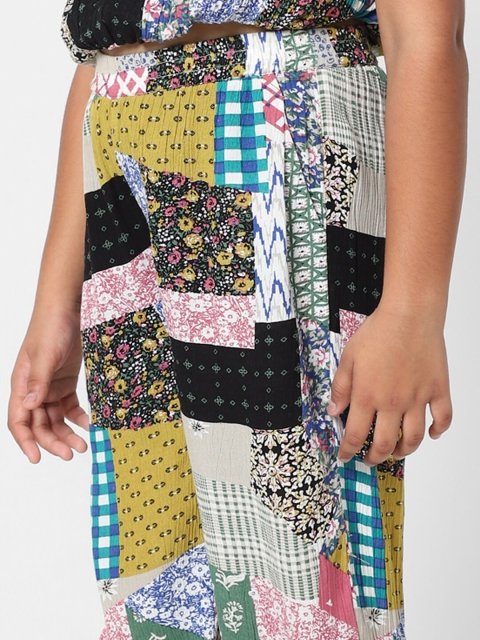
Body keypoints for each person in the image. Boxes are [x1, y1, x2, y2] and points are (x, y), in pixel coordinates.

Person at [7, 1, 468, 638]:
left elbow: (425, 33)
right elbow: (97, 55)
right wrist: (55, 306)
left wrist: (414, 310)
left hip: (279, 125)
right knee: (154, 582)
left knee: (304, 589)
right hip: (118, 143)